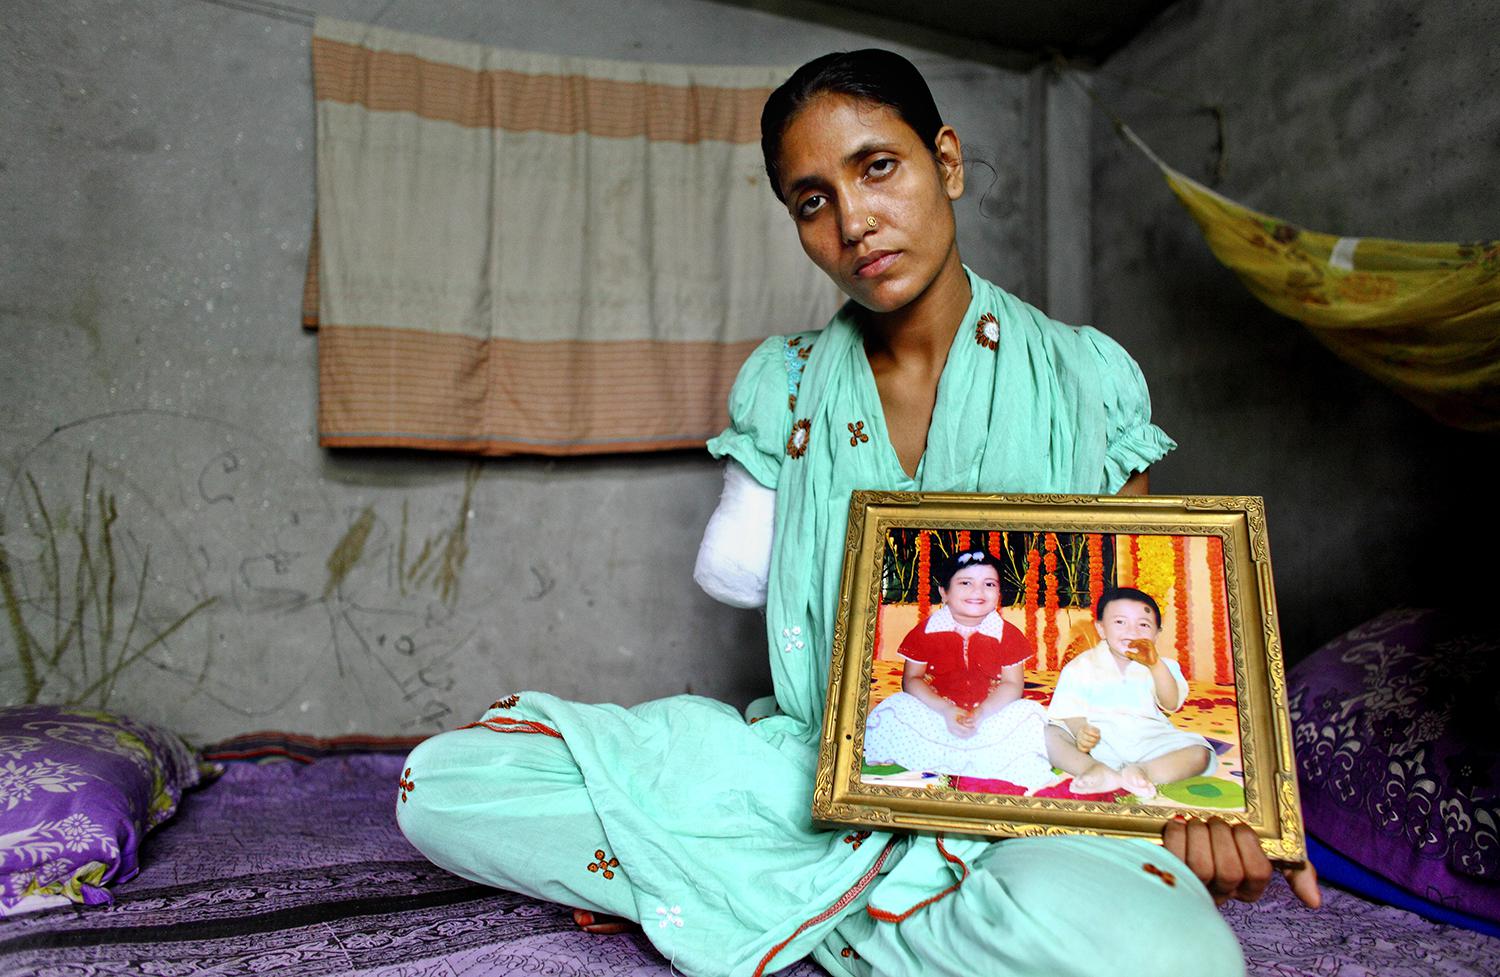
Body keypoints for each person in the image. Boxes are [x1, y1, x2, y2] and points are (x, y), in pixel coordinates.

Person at [397, 48, 1320, 977]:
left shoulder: (1087, 375)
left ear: (945, 163)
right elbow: (746, 576)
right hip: (808, 770)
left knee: (1180, 961)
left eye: (878, 166)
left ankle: (787, 900)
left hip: (1032, 791)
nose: (854, 222)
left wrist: (1221, 810)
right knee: (439, 785)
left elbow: (1138, 616)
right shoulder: (785, 383)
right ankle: (881, 908)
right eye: (811, 200)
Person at [864, 549, 1055, 788]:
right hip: (935, 718)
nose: (978, 591)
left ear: (998, 593)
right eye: (966, 583)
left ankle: (986, 764)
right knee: (896, 708)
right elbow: (912, 679)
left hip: (990, 720)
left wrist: (982, 713)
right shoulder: (925, 632)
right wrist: (945, 710)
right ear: (944, 592)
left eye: (989, 583)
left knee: (1029, 713)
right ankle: (939, 763)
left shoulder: (1009, 635)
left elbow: (1013, 685)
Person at [1046, 587, 1215, 798]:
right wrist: (1081, 732)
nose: (1132, 631)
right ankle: (1092, 769)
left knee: (1200, 754)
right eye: (1120, 622)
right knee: (1049, 734)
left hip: (1149, 740)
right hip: (1098, 743)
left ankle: (1144, 771)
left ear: (1157, 633)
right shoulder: (1081, 665)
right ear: (1101, 629)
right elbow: (1068, 708)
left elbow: (1171, 703)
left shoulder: (1164, 666)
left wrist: (1155, 666)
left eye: (1143, 624)